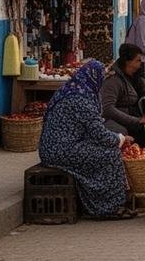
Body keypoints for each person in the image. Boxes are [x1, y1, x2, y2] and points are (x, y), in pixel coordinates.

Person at [38, 61, 133, 220]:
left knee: (107, 149)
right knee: (111, 155)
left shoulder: (72, 90)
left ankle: (103, 201)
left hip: (54, 147)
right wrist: (120, 139)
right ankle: (107, 207)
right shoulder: (81, 99)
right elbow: (98, 133)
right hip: (60, 151)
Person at [101, 43, 145, 145]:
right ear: (128, 62)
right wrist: (136, 120)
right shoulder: (113, 80)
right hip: (117, 121)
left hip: (137, 119)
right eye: (138, 60)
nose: (141, 63)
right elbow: (107, 108)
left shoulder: (138, 76)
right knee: (126, 133)